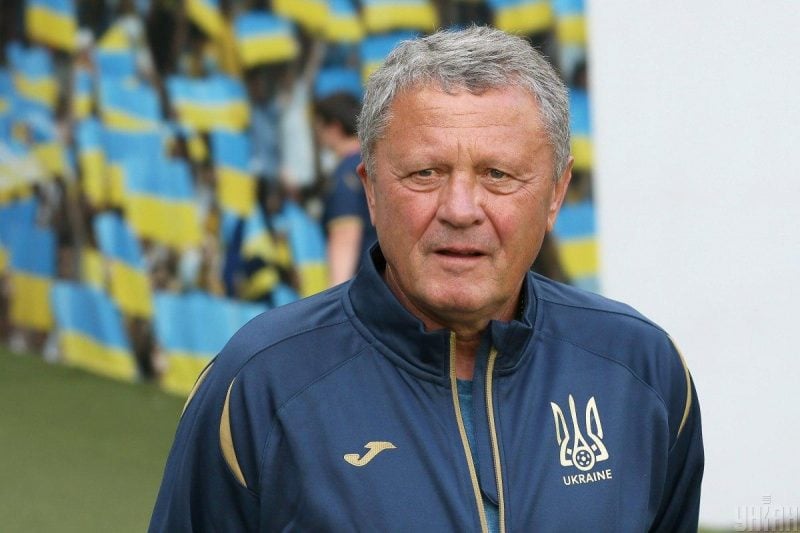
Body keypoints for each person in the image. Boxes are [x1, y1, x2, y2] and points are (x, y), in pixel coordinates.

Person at [149, 27, 703, 532]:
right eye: (425, 173)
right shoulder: (259, 383)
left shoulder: (641, 370)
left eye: (497, 174)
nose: (460, 209)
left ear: (556, 193)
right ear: (370, 188)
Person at [314, 92, 378, 286]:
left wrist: (335, 294)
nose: (316, 136)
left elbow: (345, 234)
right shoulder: (375, 163)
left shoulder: (345, 175)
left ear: (334, 128)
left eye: (318, 129)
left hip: (362, 285)